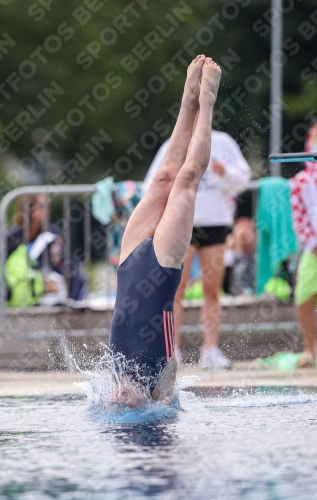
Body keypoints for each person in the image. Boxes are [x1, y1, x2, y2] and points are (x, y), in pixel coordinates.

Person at [109, 55, 222, 405]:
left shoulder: (114, 377)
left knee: (161, 178)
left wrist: (117, 397)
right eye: (126, 399)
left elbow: (114, 401)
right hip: (162, 268)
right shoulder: (163, 377)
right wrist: (151, 400)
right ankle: (206, 102)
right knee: (186, 179)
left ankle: (187, 99)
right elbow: (166, 408)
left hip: (129, 263)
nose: (122, 397)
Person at [143, 104, 251, 370]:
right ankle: (172, 349)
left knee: (211, 290)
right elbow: (153, 182)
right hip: (182, 224)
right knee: (175, 290)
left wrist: (226, 174)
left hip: (215, 224)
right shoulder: (175, 143)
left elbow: (244, 178)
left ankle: (210, 349)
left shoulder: (223, 143)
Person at [290, 123, 317, 368]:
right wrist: (313, 243)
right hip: (313, 249)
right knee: (303, 297)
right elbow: (300, 220)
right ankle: (310, 349)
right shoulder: (300, 182)